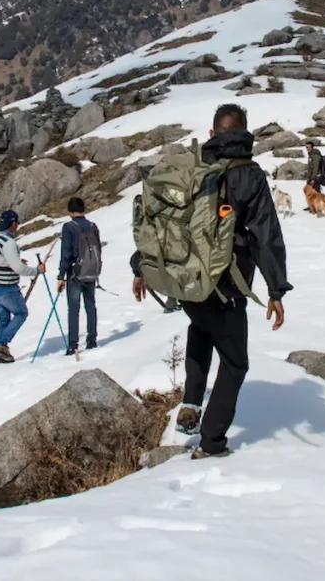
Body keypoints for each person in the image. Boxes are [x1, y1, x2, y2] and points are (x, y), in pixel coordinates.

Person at [131, 103, 291, 459]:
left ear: (212, 134)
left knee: (201, 329)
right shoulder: (249, 175)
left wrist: (140, 266)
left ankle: (190, 402)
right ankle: (212, 442)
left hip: (185, 280)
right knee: (235, 363)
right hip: (226, 285)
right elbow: (266, 235)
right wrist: (276, 289)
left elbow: (160, 223)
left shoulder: (193, 167)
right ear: (245, 133)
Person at [0, 209, 45, 363]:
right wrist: (36, 271)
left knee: (3, 319)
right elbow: (19, 269)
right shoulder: (9, 243)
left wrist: (15, 261)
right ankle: (0, 345)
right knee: (21, 313)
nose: (18, 225)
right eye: (17, 222)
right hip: (6, 287)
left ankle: (0, 355)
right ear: (12, 223)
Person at [57, 197, 101, 354]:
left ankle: (73, 345)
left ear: (70, 211)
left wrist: (61, 275)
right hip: (90, 272)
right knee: (90, 305)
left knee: (73, 309)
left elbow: (66, 253)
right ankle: (92, 340)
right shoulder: (92, 226)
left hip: (75, 273)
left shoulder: (69, 227)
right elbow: (98, 249)